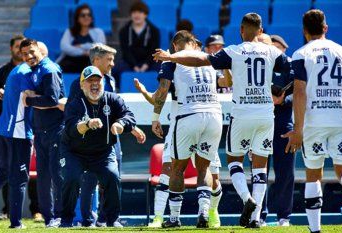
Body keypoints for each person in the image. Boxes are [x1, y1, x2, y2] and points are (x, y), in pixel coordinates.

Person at [153, 13, 291, 228]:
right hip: (261, 114)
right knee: (256, 167)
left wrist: (171, 57)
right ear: (261, 31)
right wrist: (282, 92)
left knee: (226, 162)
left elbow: (199, 61)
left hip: (231, 113)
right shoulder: (273, 51)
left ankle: (244, 200)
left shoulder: (233, 51)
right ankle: (250, 218)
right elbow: (295, 73)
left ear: (241, 30)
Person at [134, 38, 224, 229]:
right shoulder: (208, 59)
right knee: (205, 169)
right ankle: (203, 213)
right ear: (193, 43)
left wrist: (154, 118)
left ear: (175, 45)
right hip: (214, 115)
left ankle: (175, 218)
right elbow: (226, 81)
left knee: (176, 168)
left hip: (186, 118)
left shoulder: (172, 60)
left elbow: (161, 93)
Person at [67, 43, 145, 227]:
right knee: (88, 180)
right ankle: (86, 218)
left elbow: (117, 110)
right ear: (96, 60)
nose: (112, 63)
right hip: (88, 142)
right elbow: (72, 111)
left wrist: (130, 127)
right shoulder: (80, 83)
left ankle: (106, 217)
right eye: (109, 59)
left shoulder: (109, 79)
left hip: (110, 139)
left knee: (112, 177)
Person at [283, 9, 342, 233]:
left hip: (314, 121)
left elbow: (299, 92)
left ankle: (315, 230)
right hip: (340, 117)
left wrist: (297, 129)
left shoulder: (301, 54)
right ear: (325, 28)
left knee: (313, 174)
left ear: (304, 31)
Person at [20, 38, 65, 227]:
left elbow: (53, 100)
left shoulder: (49, 70)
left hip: (55, 130)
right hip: (41, 131)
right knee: (43, 177)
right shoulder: (36, 70)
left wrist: (29, 100)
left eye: (32, 52)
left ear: (40, 50)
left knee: (57, 174)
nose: (29, 56)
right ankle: (49, 218)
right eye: (24, 54)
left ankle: (62, 216)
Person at [257, 33, 295, 227]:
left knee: (285, 173)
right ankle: (259, 214)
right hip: (261, 124)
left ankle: (284, 217)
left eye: (280, 49)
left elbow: (301, 94)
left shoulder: (290, 66)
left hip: (283, 125)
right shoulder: (259, 65)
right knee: (259, 171)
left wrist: (282, 100)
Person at [0, 35, 25, 220]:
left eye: (24, 46)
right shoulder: (0, 72)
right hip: (6, 128)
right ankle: (7, 210)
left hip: (26, 127)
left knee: (25, 171)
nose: (20, 49)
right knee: (6, 170)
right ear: (11, 49)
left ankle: (36, 209)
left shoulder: (31, 71)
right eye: (17, 46)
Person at [113, 1, 160, 85]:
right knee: (116, 69)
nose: (137, 15)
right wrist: (134, 66)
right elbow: (126, 51)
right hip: (129, 63)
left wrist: (146, 65)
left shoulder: (154, 31)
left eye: (140, 12)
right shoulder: (123, 31)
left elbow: (154, 51)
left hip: (149, 62)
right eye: (134, 12)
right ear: (131, 14)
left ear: (145, 15)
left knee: (162, 69)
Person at [57, 4, 106, 73]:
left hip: (89, 62)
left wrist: (81, 46)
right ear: (77, 19)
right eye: (83, 15)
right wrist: (83, 52)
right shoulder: (69, 32)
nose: (86, 17)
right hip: (71, 61)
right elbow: (64, 47)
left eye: (89, 15)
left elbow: (100, 48)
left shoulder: (98, 32)